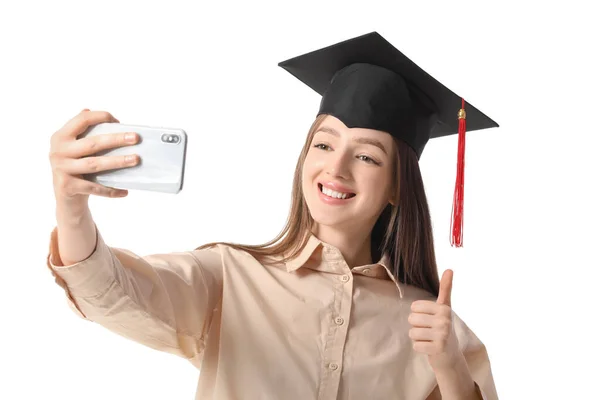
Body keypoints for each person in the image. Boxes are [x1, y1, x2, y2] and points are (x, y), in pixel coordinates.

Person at [46, 32, 499, 400]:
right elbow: (112, 293)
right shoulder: (229, 279)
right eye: (323, 144)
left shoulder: (431, 324)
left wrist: (453, 374)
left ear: (399, 186)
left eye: (366, 157)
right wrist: (71, 207)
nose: (335, 169)